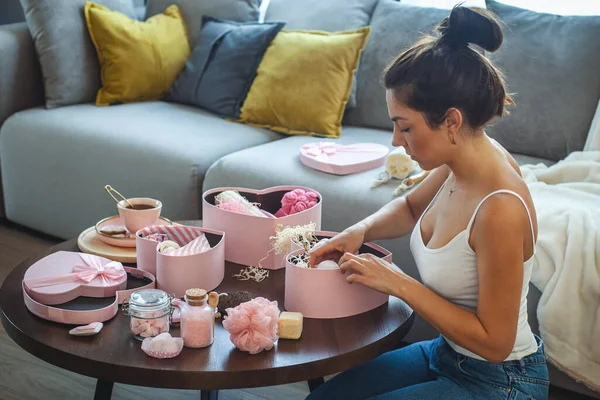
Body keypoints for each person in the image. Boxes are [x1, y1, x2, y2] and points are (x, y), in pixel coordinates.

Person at [306, 5, 549, 400]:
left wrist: (399, 284)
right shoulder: (459, 160)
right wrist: (358, 230)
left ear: (451, 121)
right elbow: (410, 208)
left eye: (405, 127)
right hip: (449, 354)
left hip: (504, 379)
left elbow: (495, 342)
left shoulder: (499, 209)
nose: (396, 141)